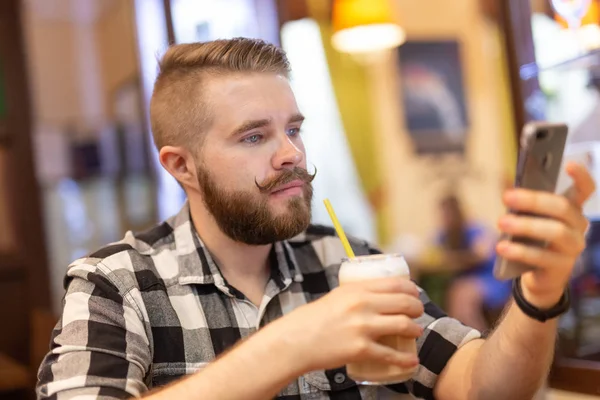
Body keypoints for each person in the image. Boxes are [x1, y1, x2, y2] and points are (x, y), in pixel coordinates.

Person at [37, 38, 595, 400]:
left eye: (294, 129)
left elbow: (481, 388)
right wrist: (294, 343)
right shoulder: (116, 283)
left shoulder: (351, 261)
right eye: (255, 136)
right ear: (183, 166)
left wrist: (538, 295)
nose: (291, 155)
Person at [437, 194, 511, 331]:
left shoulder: (476, 229)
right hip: (465, 282)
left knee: (463, 297)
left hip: (491, 280)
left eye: (448, 213)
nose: (445, 218)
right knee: (456, 294)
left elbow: (482, 254)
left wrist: (456, 258)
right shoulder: (444, 235)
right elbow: (433, 254)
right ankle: (462, 338)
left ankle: (479, 339)